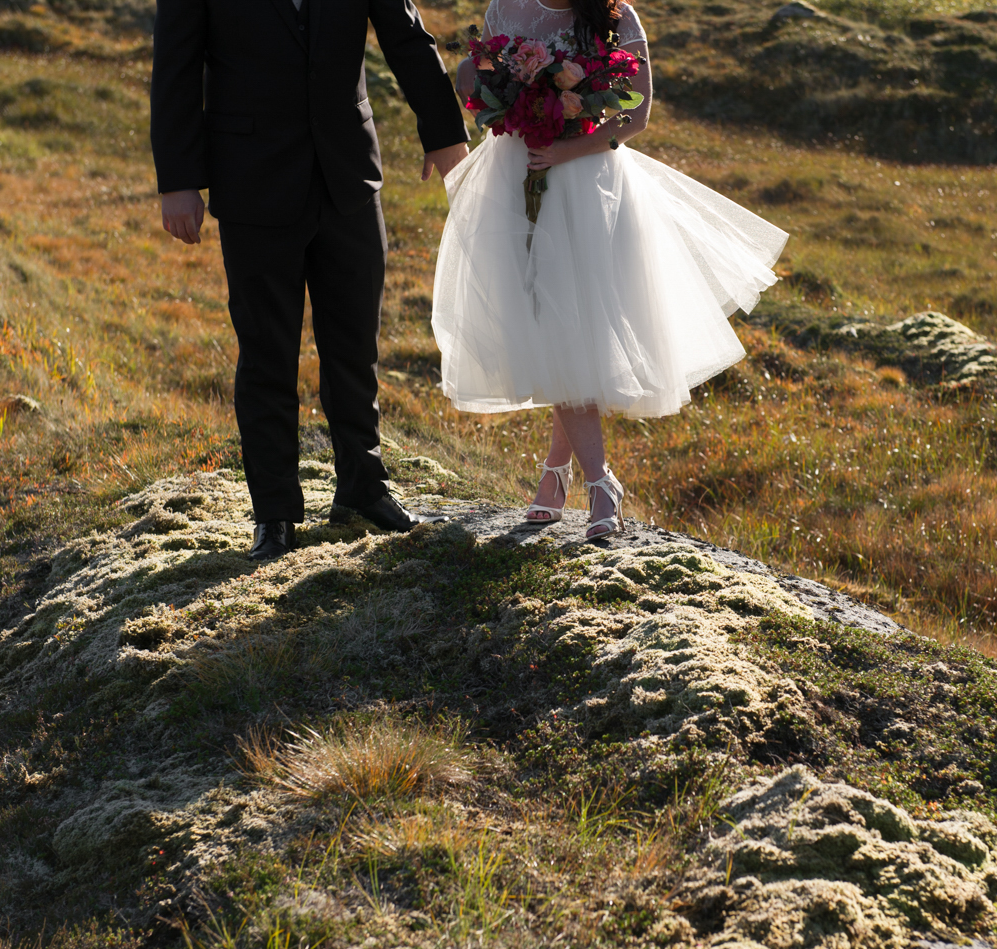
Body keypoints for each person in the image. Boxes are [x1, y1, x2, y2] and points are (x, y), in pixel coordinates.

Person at [432, 0, 787, 540]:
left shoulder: (617, 16)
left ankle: (598, 481)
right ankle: (558, 473)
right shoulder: (505, 6)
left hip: (588, 183)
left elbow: (635, 116)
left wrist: (566, 150)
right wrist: (500, 97)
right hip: (515, 178)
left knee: (570, 327)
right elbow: (476, 77)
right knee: (554, 326)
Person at [150, 0, 470, 560]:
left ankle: (363, 489)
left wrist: (444, 135)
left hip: (349, 175)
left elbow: (406, 37)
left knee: (355, 348)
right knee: (266, 355)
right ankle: (274, 513)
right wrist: (178, 180)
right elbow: (175, 63)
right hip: (251, 179)